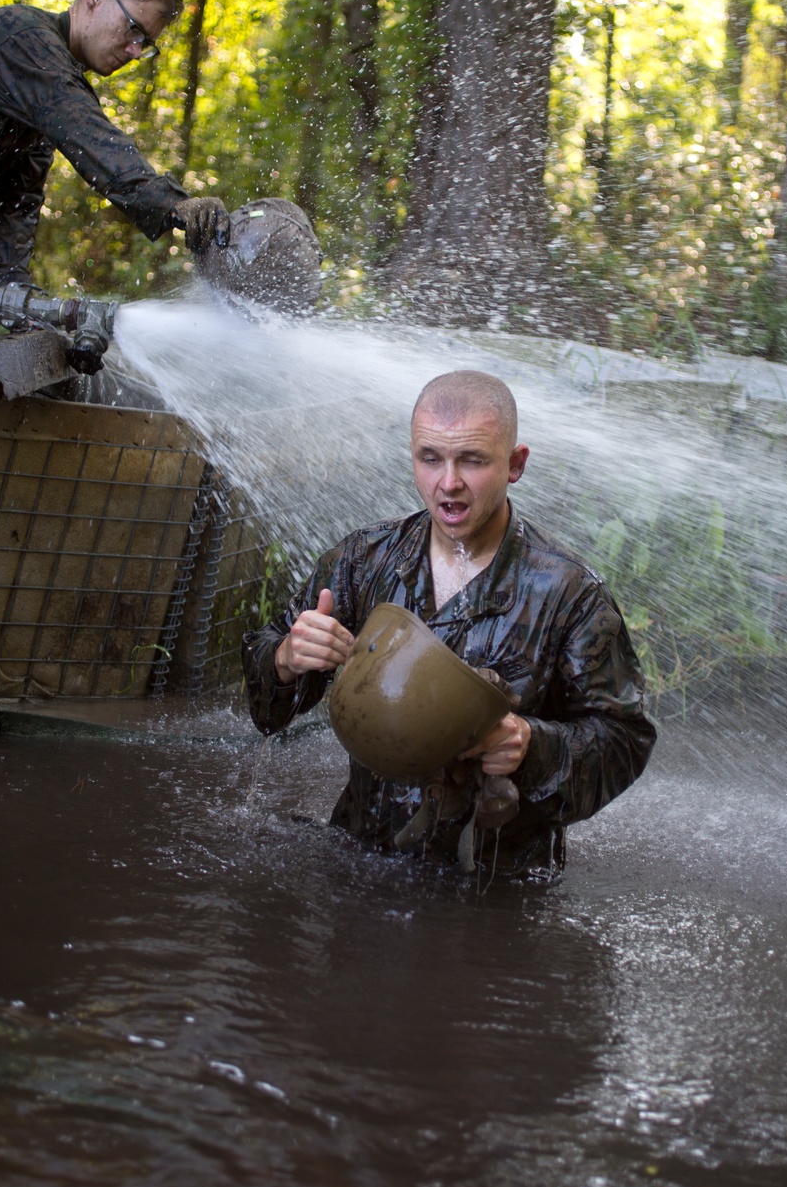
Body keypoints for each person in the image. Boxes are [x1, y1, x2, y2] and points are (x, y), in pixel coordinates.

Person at [242, 370, 656, 878]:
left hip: (494, 888)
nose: (448, 482)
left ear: (515, 464)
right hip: (360, 862)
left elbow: (625, 740)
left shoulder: (568, 595)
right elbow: (265, 706)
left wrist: (531, 745)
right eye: (430, 458)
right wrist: (285, 659)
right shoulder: (363, 561)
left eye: (473, 460)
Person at [0, 0, 229, 326]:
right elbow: (84, 129)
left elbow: (14, 203)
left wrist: (10, 297)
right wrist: (171, 203)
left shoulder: (36, 102)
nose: (135, 51)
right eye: (134, 29)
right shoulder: (24, 41)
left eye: (146, 44)